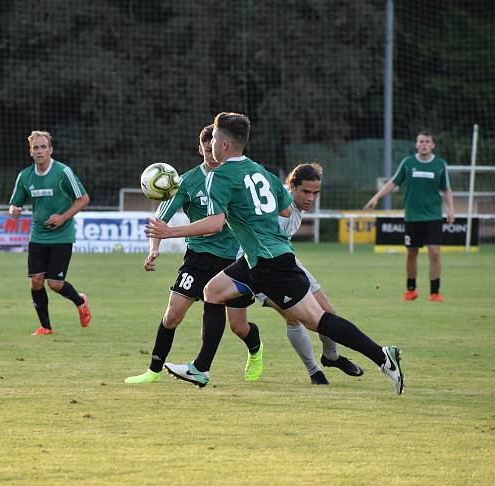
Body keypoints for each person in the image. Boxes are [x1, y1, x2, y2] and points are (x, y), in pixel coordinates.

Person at [146, 112, 404, 395]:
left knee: (316, 320)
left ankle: (382, 355)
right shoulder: (260, 171)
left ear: (223, 143)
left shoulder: (219, 176)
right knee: (213, 291)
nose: (213, 145)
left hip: (271, 262)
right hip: (255, 258)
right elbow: (283, 208)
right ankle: (201, 368)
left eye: (215, 139)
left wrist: (170, 232)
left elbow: (215, 224)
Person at [125, 125, 264, 384]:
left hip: (233, 259)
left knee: (238, 326)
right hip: (198, 258)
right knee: (172, 315)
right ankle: (154, 370)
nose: (211, 155)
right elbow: (159, 221)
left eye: (214, 149)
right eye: (206, 149)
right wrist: (154, 249)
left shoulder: (232, 178)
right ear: (200, 148)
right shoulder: (187, 181)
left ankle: (255, 351)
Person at [269, 162, 365, 383]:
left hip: (287, 260)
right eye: (306, 192)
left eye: (315, 193)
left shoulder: (295, 205)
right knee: (294, 318)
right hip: (260, 267)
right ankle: (315, 372)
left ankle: (331, 356)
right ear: (291, 187)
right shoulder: (279, 206)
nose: (311, 198)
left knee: (327, 311)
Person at [9, 130, 92, 335]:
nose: (39, 151)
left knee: (55, 284)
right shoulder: (25, 176)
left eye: (43, 147)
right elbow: (14, 204)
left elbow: (83, 199)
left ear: (50, 149)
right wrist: (15, 210)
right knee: (36, 281)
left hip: (62, 236)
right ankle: (46, 327)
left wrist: (63, 217)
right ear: (30, 151)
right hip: (37, 235)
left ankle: (80, 301)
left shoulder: (63, 172)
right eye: (35, 147)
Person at [364, 131, 454, 302]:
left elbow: (447, 188)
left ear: (433, 145)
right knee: (412, 253)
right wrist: (376, 198)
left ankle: (435, 293)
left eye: (428, 141)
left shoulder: (440, 164)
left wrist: (451, 209)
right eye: (421, 141)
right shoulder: (408, 163)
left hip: (433, 216)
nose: (424, 144)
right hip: (412, 217)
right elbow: (393, 182)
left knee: (435, 252)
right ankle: (411, 290)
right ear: (416, 144)